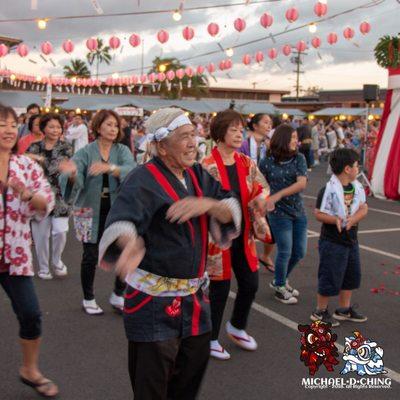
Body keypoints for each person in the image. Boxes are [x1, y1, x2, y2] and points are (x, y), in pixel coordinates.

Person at [98, 107, 241, 399]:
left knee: (187, 385)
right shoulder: (142, 179)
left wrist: (208, 205)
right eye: (184, 137)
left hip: (196, 303)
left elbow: (229, 204)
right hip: (152, 307)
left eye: (194, 135)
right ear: (162, 146)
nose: (194, 143)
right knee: (151, 389)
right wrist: (129, 242)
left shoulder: (198, 175)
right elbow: (121, 221)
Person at [202, 110, 273, 360]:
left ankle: (237, 326)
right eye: (233, 129)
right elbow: (202, 201)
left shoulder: (246, 162)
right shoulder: (206, 165)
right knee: (219, 289)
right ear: (219, 133)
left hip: (244, 235)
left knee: (250, 283)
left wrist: (261, 200)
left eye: (240, 129)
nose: (238, 134)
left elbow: (262, 187)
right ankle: (210, 338)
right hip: (216, 237)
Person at [0, 104, 58, 397]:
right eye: (2, 124)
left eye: (13, 124)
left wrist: (26, 194)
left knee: (31, 313)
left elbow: (45, 201)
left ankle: (30, 369)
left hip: (15, 255)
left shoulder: (26, 166)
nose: (9, 130)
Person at [59, 109, 135, 315]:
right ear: (98, 126)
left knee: (123, 251)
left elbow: (132, 170)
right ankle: (88, 298)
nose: (113, 129)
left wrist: (110, 168)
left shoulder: (122, 150)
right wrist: (73, 174)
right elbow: (75, 178)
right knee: (90, 255)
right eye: (109, 124)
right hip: (90, 210)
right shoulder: (85, 152)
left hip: (117, 210)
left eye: (116, 125)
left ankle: (118, 294)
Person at [311, 148, 368, 326]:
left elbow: (363, 207)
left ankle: (343, 309)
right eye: (357, 166)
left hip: (351, 239)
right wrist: (334, 219)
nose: (358, 169)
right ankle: (320, 311)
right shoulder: (328, 189)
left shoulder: (357, 187)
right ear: (347, 169)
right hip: (332, 241)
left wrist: (353, 219)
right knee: (330, 275)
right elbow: (318, 213)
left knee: (350, 275)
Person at [259, 124, 308, 305]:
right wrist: (264, 200)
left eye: (296, 138)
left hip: (298, 212)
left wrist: (278, 194)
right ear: (283, 139)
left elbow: (302, 183)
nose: (296, 141)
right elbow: (260, 185)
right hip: (278, 214)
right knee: (285, 251)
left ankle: (280, 280)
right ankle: (280, 286)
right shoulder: (266, 162)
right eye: (293, 138)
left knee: (299, 252)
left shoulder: (299, 158)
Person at [27, 113, 73, 279]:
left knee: (61, 231)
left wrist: (38, 159)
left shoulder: (66, 147)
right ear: (43, 128)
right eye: (51, 127)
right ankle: (43, 267)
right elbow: (26, 168)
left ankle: (57, 260)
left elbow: (56, 167)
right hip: (39, 195)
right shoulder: (33, 147)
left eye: (58, 127)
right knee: (41, 236)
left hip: (60, 196)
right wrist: (31, 158)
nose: (55, 130)